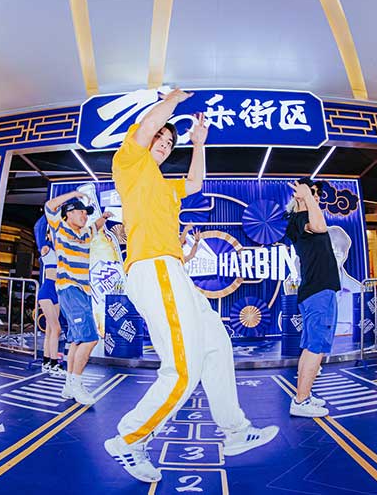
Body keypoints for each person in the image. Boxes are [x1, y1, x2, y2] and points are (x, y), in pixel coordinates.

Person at [105, 89, 279, 483]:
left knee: (217, 343)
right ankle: (129, 439)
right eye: (160, 138)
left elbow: (196, 184)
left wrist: (198, 143)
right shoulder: (129, 162)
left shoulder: (163, 185)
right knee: (182, 370)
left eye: (170, 143)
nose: (164, 144)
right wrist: (173, 102)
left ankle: (235, 431)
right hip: (154, 268)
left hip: (173, 272)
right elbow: (147, 126)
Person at [45, 191, 111, 405]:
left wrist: (104, 217)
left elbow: (96, 226)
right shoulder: (60, 227)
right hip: (70, 289)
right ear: (68, 214)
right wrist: (74, 194)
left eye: (86, 213)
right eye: (81, 212)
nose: (85, 216)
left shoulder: (85, 234)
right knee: (91, 338)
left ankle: (68, 385)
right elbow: (49, 206)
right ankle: (77, 384)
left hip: (83, 292)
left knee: (76, 341)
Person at [285, 177, 340, 418]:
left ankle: (304, 394)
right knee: (315, 348)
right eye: (313, 192)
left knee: (310, 347)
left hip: (315, 291)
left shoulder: (300, 219)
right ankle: (301, 400)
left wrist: (309, 197)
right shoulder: (301, 219)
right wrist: (307, 196)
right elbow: (320, 227)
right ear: (299, 194)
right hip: (319, 291)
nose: (316, 196)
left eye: (317, 193)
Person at [33, 214, 64, 375]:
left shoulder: (61, 250)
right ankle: (54, 363)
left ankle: (46, 362)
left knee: (51, 330)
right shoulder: (46, 249)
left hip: (57, 291)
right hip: (47, 291)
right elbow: (38, 228)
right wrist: (48, 213)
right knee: (56, 329)